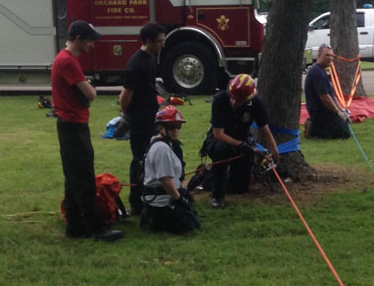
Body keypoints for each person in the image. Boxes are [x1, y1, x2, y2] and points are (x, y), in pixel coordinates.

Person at [51, 20, 124, 241]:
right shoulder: (68, 62)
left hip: (69, 124)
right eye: (90, 41)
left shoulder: (64, 59)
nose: (92, 45)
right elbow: (91, 95)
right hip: (73, 126)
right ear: (79, 38)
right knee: (83, 178)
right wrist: (91, 87)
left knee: (73, 177)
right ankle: (97, 228)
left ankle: (74, 226)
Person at [207, 73, 280, 209]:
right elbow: (218, 134)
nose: (234, 103)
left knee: (240, 188)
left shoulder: (256, 104)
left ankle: (212, 179)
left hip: (242, 140)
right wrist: (240, 145)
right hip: (221, 141)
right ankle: (217, 196)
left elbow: (265, 130)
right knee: (221, 151)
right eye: (232, 98)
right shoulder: (220, 100)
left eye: (239, 101)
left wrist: (275, 152)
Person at [117, 22, 166, 212]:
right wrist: (126, 115)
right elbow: (125, 95)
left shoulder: (151, 58)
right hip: (139, 119)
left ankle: (152, 194)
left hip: (152, 116)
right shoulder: (136, 64)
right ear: (147, 41)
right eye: (159, 42)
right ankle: (136, 203)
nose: (162, 45)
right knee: (140, 159)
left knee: (153, 156)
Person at [141, 105, 199, 233]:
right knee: (190, 224)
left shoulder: (163, 143)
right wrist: (179, 199)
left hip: (162, 197)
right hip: (161, 201)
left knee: (192, 215)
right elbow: (165, 180)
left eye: (179, 126)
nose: (176, 130)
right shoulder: (162, 148)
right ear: (161, 127)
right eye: (172, 126)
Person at [304, 44, 351, 139]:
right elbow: (325, 97)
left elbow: (332, 96)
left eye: (331, 56)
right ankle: (312, 129)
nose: (330, 58)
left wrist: (342, 111)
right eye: (327, 55)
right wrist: (337, 113)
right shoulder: (317, 73)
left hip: (326, 110)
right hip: (319, 111)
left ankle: (317, 127)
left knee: (345, 125)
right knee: (343, 133)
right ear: (319, 56)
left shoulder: (323, 73)